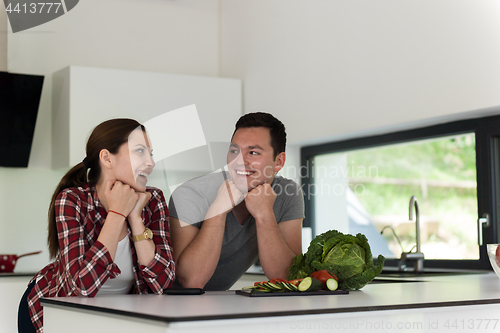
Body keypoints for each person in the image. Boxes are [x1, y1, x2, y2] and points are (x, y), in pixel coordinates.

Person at [18, 119, 176, 333]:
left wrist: (136, 218)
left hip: (113, 315)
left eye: (151, 153)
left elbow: (163, 285)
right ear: (106, 158)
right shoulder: (72, 200)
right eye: (140, 151)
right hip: (52, 313)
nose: (151, 163)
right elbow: (80, 289)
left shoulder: (153, 199)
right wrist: (117, 213)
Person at [169, 112, 304, 290]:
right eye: (234, 151)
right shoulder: (191, 194)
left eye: (253, 152)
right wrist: (218, 210)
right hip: (164, 302)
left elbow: (289, 278)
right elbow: (191, 281)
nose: (239, 161)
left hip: (218, 302)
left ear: (279, 161)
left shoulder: (288, 194)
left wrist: (265, 215)